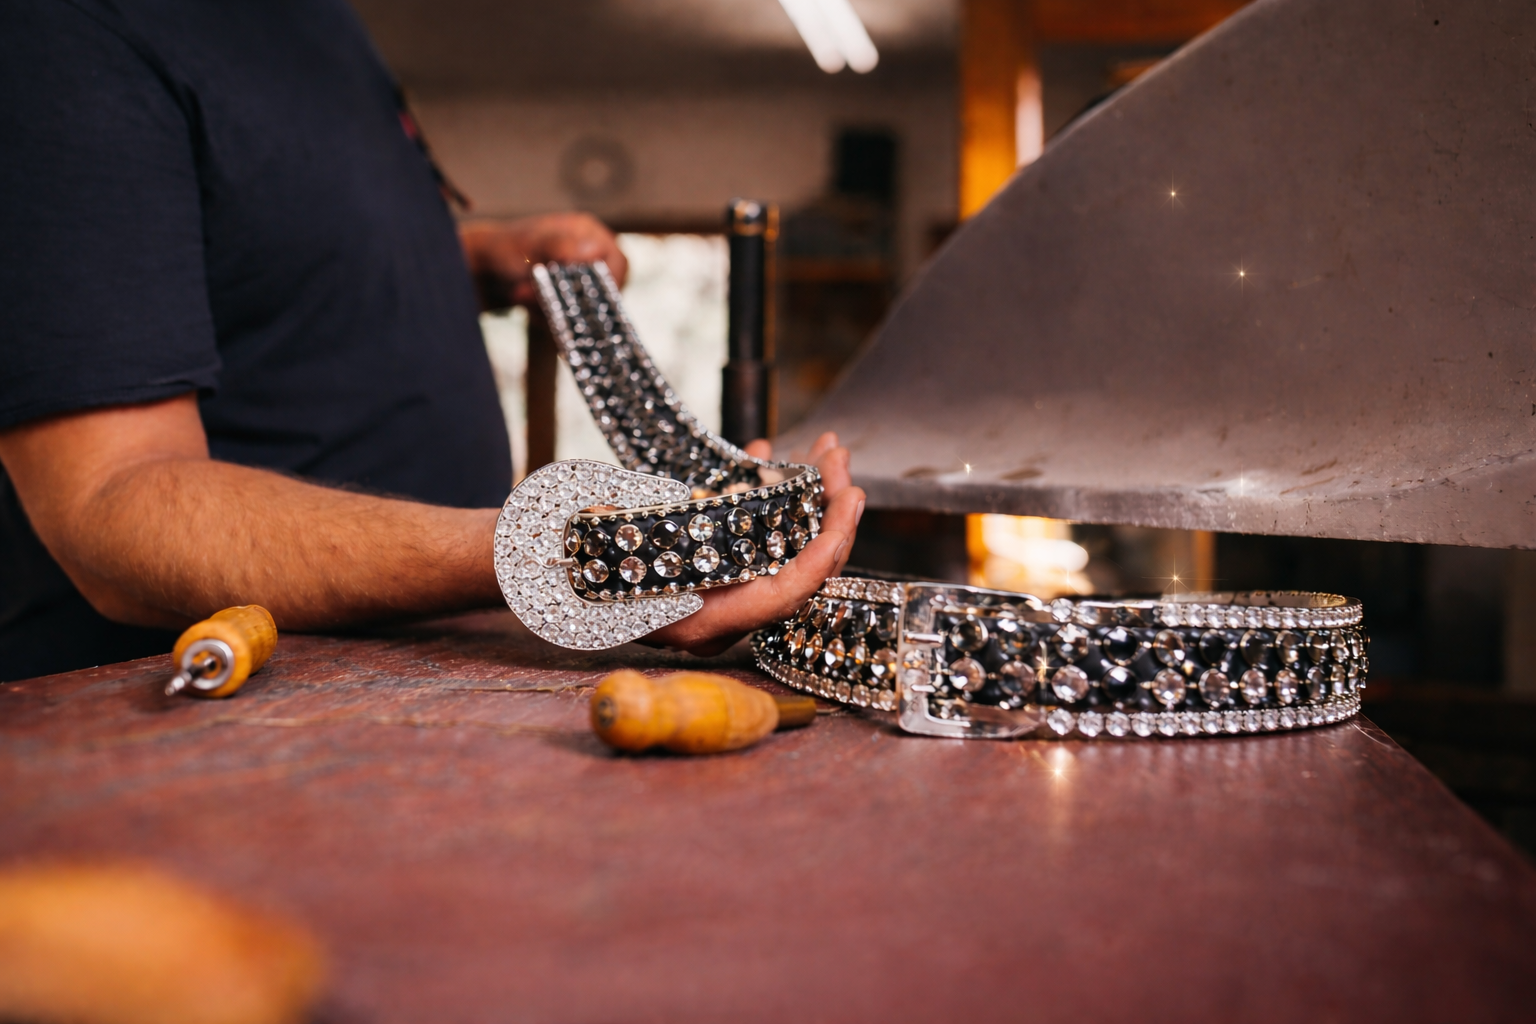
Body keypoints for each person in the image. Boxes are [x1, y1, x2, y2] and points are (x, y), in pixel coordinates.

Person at [0, 0, 864, 681]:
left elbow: (257, 249)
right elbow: (110, 506)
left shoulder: (317, 20)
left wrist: (473, 258)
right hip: (214, 723)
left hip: (414, 680)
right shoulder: (59, 31)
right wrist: (566, 552)